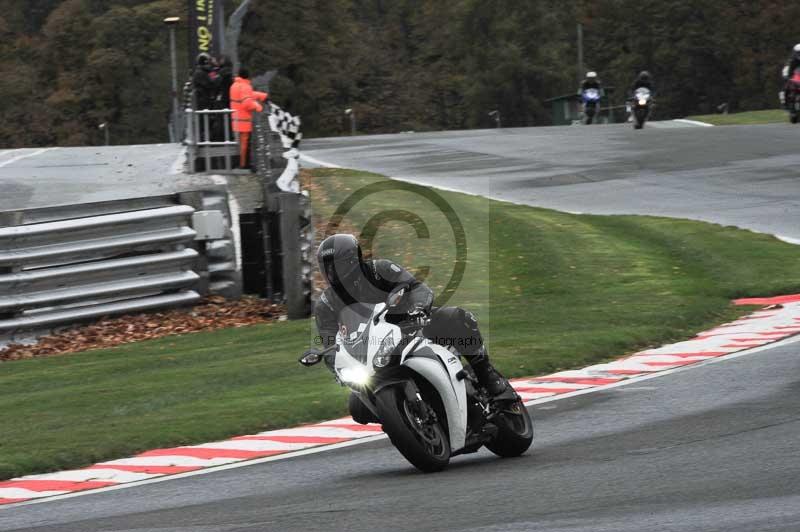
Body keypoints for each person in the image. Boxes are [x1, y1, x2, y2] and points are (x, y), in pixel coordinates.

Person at [313, 234, 511, 397]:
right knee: (357, 408)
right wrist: (335, 364)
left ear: (352, 260)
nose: (331, 273)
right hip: (370, 352)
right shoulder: (326, 304)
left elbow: (417, 287)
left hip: (410, 326)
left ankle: (486, 373)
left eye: (335, 266)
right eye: (326, 268)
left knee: (457, 318)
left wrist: (418, 308)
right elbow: (329, 341)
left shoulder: (379, 269)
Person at [229, 67, 268, 169]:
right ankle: (244, 165)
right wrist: (258, 107)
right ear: (247, 76)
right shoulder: (245, 86)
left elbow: (247, 96)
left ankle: (242, 164)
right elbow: (247, 102)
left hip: (236, 119)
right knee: (246, 144)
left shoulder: (235, 85)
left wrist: (262, 96)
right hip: (244, 120)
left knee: (241, 143)